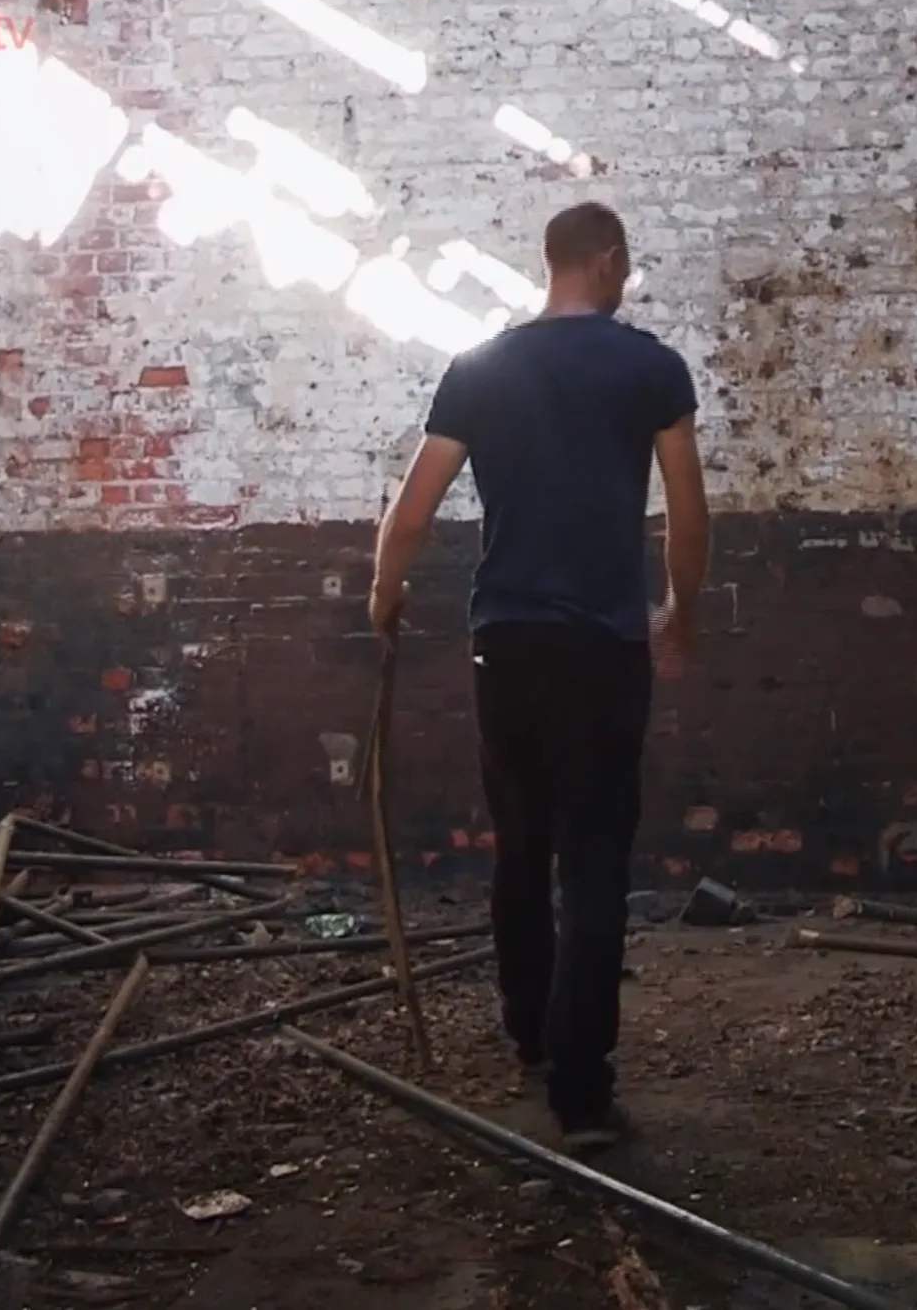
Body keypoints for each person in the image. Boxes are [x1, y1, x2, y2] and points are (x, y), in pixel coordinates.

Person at [368, 202, 709, 1152]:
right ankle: (581, 1090)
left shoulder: (480, 369)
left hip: (506, 643)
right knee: (593, 861)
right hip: (603, 649)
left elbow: (412, 508)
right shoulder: (650, 368)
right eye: (625, 266)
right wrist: (683, 609)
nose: (625, 280)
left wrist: (383, 595)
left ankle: (527, 1027)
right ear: (605, 262)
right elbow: (687, 513)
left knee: (520, 843)